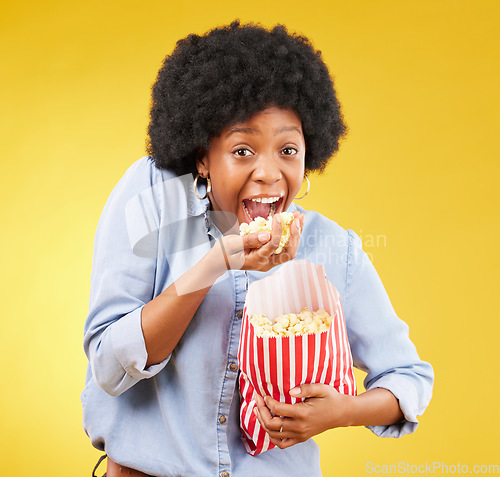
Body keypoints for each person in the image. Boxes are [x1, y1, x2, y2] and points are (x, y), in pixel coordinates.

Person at [82, 21, 434, 477]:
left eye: (287, 150)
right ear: (202, 157)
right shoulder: (154, 202)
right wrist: (217, 262)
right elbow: (110, 365)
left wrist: (341, 412)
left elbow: (409, 378)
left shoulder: (332, 249)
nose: (269, 173)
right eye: (243, 150)